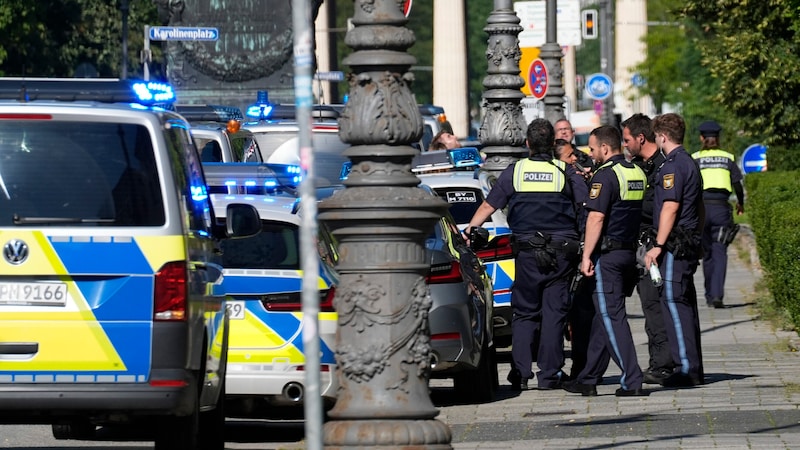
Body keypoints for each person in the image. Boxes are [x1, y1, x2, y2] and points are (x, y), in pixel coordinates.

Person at [464, 118, 585, 391]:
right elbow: (585, 208)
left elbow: (488, 206)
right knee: (555, 314)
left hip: (528, 254)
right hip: (561, 254)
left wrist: (470, 229)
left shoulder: (514, 172)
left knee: (525, 313)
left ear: (527, 143)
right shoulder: (566, 172)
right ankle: (549, 375)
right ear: (553, 144)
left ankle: (520, 374)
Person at [562, 125, 648, 397]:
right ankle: (588, 378)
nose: (590, 152)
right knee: (604, 316)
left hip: (607, 256)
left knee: (612, 316)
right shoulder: (636, 172)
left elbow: (596, 217)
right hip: (628, 254)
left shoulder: (605, 176)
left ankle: (632, 380)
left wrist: (586, 255)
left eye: (592, 148)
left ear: (605, 148)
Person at [644, 113, 705, 388]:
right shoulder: (689, 162)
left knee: (673, 302)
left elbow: (670, 207)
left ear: (662, 137)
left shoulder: (672, 167)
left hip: (674, 245)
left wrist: (658, 245)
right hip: (688, 241)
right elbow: (699, 208)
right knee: (685, 304)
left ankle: (685, 368)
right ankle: (693, 365)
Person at [621, 113, 674, 385]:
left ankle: (663, 365)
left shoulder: (661, 167)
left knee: (655, 306)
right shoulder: (644, 166)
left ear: (641, 138)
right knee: (650, 305)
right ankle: (662, 361)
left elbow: (659, 208)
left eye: (627, 139)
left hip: (655, 247)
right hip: (644, 245)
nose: (625, 145)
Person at [692, 120, 745, 309]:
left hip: (702, 210)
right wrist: (740, 203)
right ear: (718, 138)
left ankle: (708, 294)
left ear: (701, 138)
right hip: (721, 208)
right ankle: (717, 295)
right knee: (720, 252)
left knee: (707, 254)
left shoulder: (695, 158)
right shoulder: (727, 158)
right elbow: (738, 184)